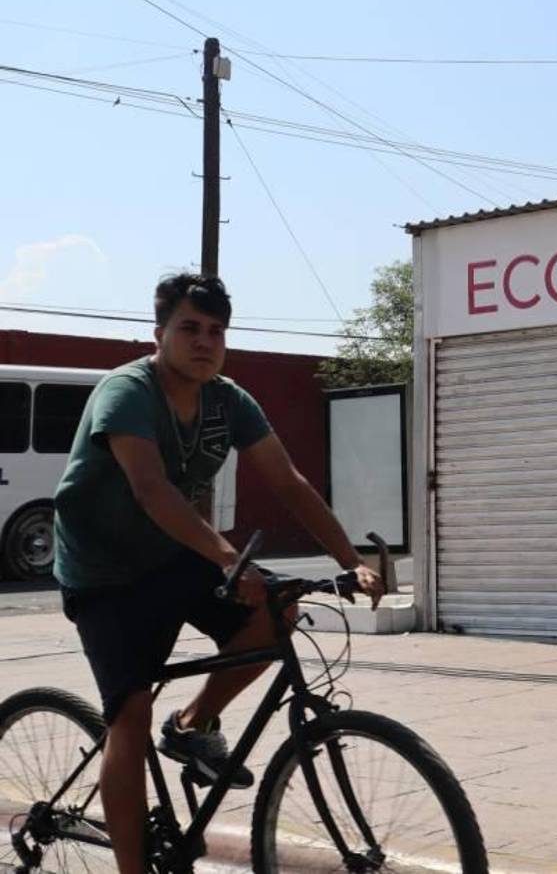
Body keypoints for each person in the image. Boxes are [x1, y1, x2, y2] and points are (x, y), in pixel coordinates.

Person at [53, 273, 385, 874]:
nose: (205, 342)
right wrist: (229, 556)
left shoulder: (229, 400)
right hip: (103, 572)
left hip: (174, 553)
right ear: (160, 335)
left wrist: (350, 561)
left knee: (278, 611)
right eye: (190, 328)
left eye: (216, 331)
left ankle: (194, 723)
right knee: (129, 716)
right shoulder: (127, 392)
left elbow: (288, 482)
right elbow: (151, 490)